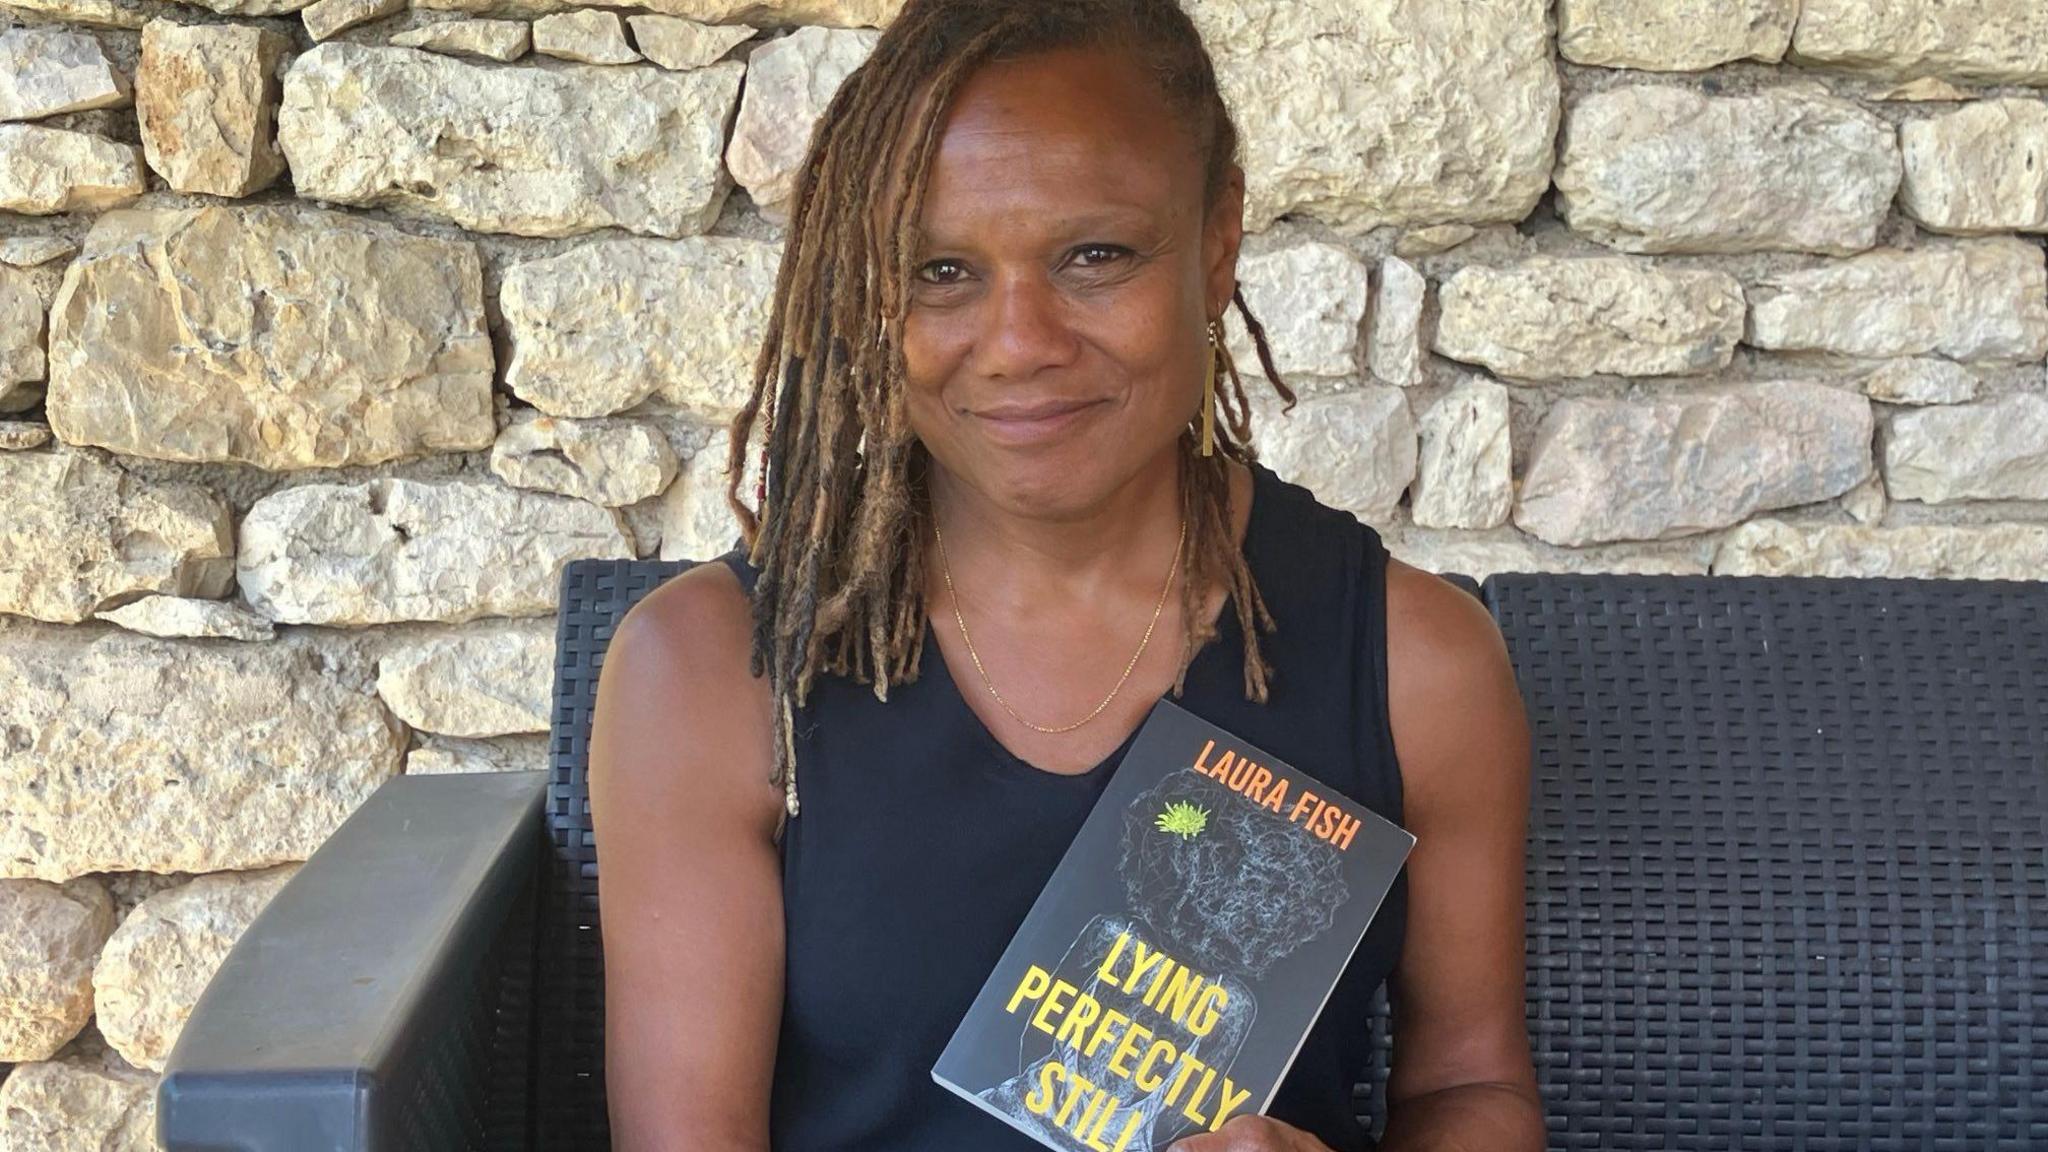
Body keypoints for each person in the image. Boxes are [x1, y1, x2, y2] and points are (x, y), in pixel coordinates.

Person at [588, 2, 1542, 1149]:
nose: (1019, 340)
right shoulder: (709, 672)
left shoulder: (1412, 666)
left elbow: (1467, 1092)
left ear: (1217, 240)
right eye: (939, 270)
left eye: (1094, 255)